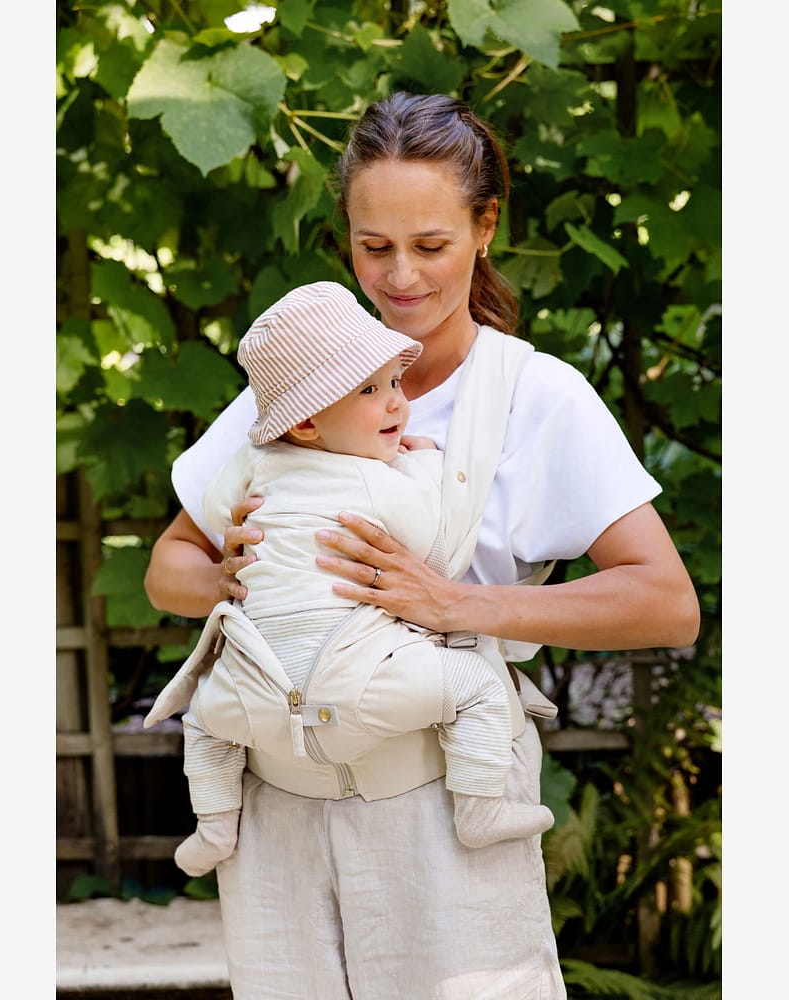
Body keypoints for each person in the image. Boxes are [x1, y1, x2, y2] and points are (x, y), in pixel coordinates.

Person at [144, 92, 700, 1000]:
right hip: (276, 816)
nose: (401, 278)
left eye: (431, 246)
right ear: (348, 239)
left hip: (444, 811)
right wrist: (220, 575)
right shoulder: (293, 394)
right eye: (375, 247)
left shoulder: (535, 397)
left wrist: (461, 603)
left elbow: (666, 602)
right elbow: (167, 570)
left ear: (485, 228)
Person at [144, 280, 555, 877]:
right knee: (478, 689)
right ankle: (480, 807)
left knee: (205, 721)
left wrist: (233, 555)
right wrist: (420, 462)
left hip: (260, 677)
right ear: (308, 423)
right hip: (361, 679)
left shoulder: (253, 462)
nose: (396, 403)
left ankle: (212, 827)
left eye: (394, 382)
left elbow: (218, 511)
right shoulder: (375, 478)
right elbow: (434, 551)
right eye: (371, 390)